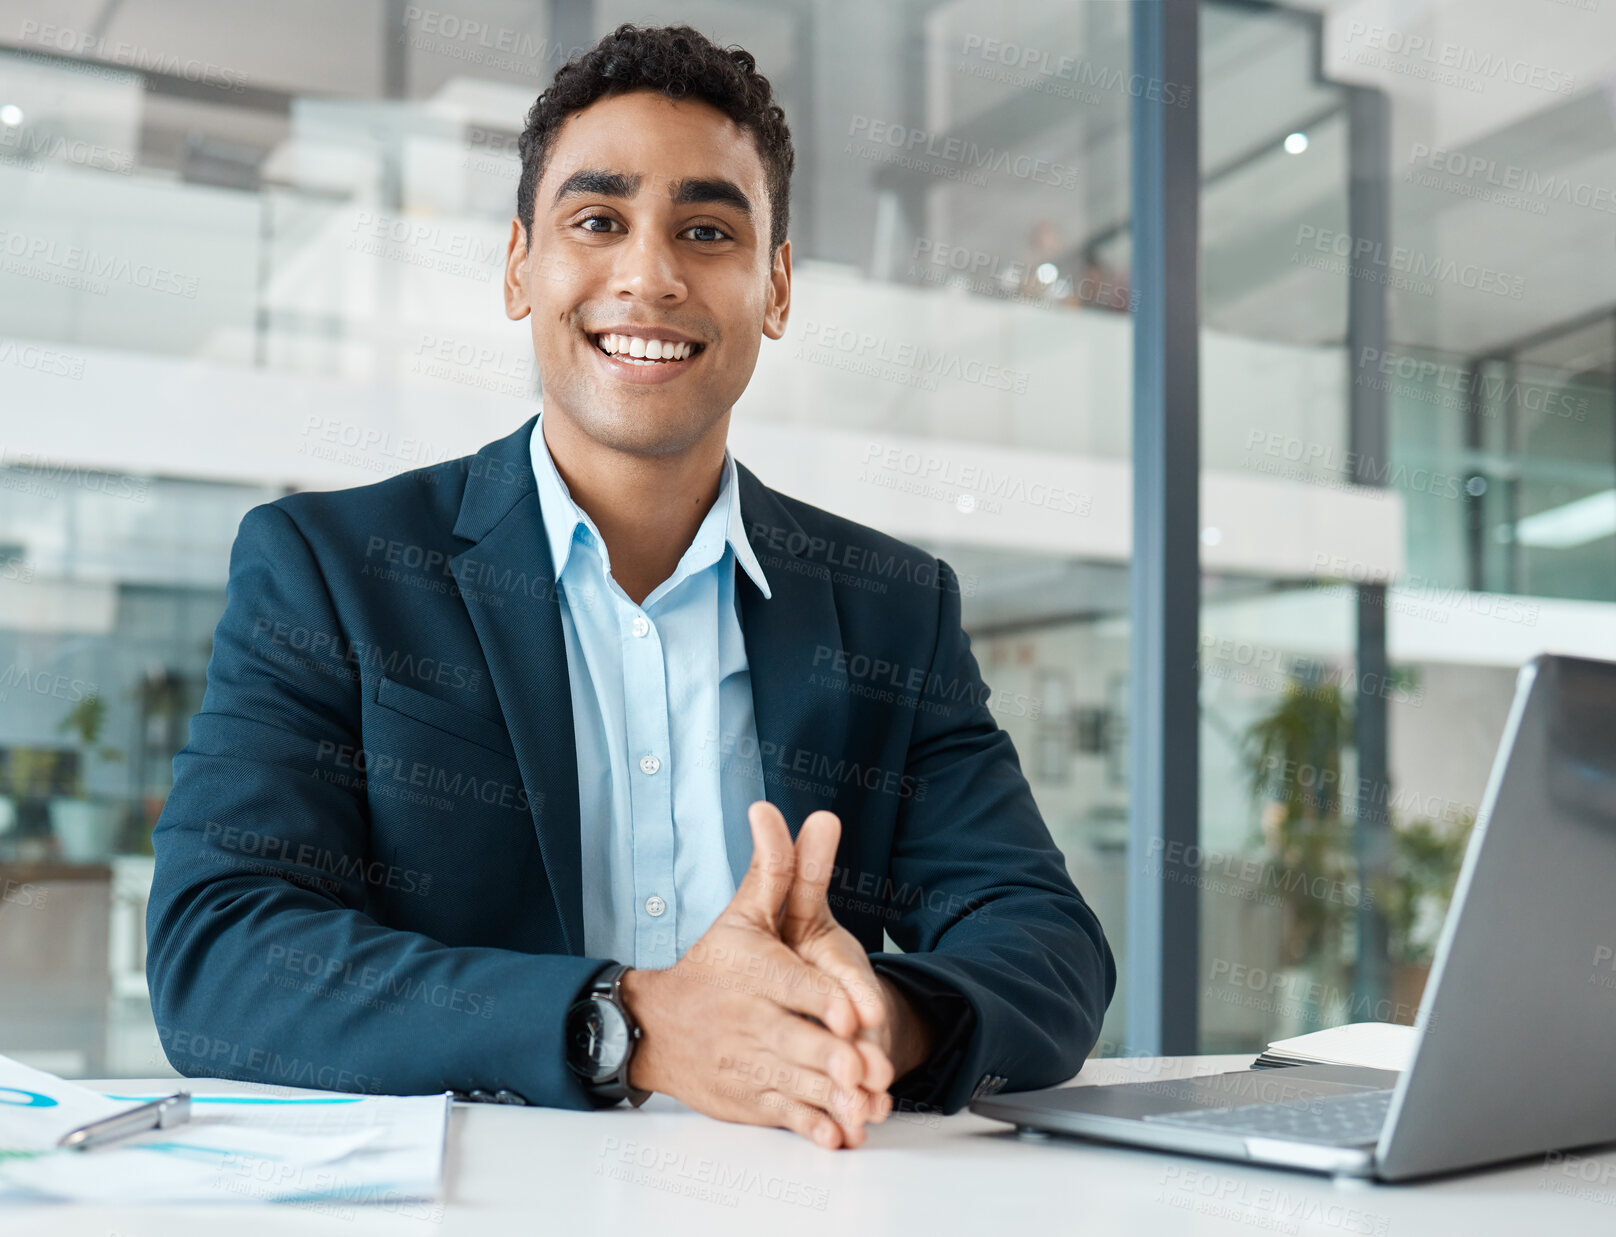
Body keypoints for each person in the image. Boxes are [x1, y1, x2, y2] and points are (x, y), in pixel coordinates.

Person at [146, 23, 1114, 1152]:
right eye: (596, 220)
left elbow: (1044, 941)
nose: (649, 275)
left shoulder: (890, 606)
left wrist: (872, 1019)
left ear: (776, 285)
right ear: (521, 266)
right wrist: (631, 1022)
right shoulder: (331, 569)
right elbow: (221, 956)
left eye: (707, 230)